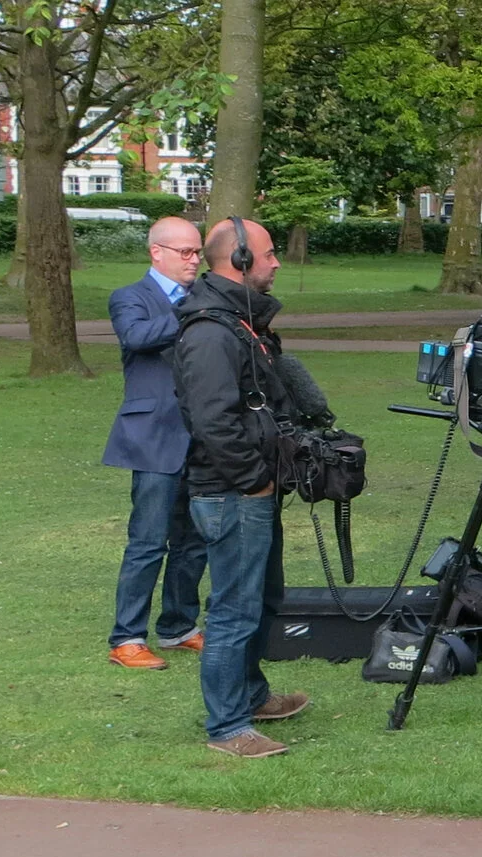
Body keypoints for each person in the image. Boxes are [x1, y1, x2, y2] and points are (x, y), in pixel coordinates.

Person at [171, 218, 310, 758]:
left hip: (251, 489)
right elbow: (213, 422)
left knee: (261, 599)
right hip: (231, 492)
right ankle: (228, 728)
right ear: (242, 261)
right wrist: (255, 480)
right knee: (233, 609)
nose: (277, 263)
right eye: (270, 254)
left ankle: (252, 696)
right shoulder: (210, 331)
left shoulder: (238, 322)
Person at [102, 218, 210, 670]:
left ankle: (178, 626)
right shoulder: (130, 297)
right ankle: (127, 637)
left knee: (194, 541)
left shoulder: (205, 296)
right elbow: (137, 337)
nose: (193, 260)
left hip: (203, 434)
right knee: (147, 541)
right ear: (156, 253)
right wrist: (191, 311)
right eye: (184, 252)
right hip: (152, 436)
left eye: (197, 252)